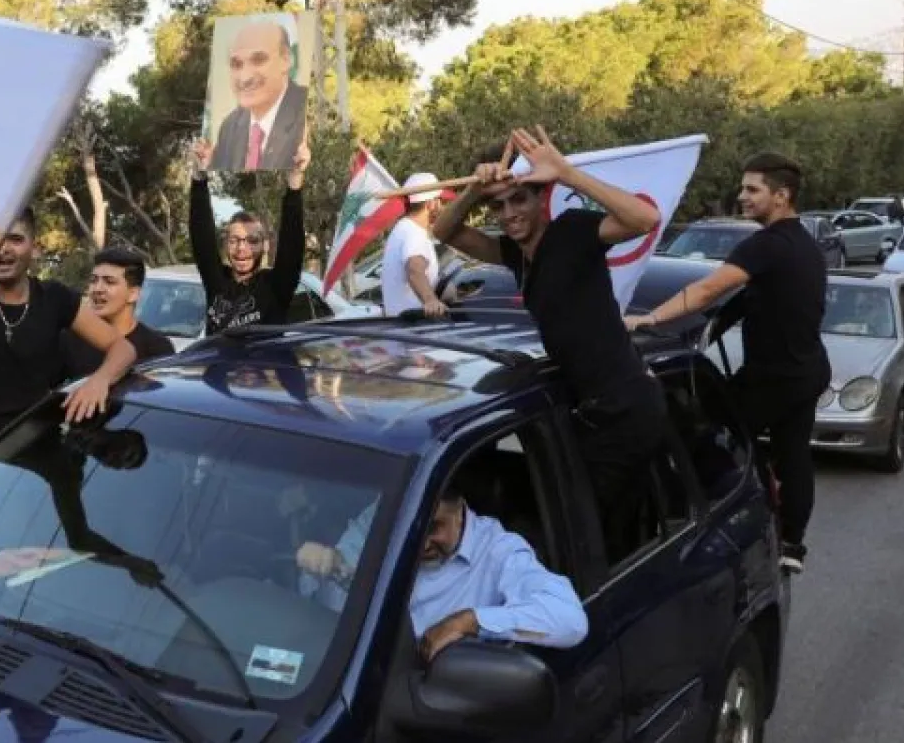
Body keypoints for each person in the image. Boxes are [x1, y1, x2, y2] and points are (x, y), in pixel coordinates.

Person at [431, 127, 665, 550]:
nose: (509, 214)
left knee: (584, 536)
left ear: (542, 197)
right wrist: (474, 190)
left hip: (626, 410)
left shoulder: (572, 231)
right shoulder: (515, 253)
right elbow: (444, 231)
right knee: (578, 524)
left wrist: (566, 172)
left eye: (519, 199)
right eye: (497, 205)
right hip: (586, 412)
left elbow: (645, 219)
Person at [626, 152, 829, 574]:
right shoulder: (804, 243)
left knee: (704, 436)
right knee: (794, 456)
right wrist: (709, 330)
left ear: (781, 195)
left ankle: (707, 525)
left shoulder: (766, 244)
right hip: (807, 371)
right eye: (743, 188)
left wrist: (649, 319)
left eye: (752, 189)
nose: (742, 196)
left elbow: (708, 290)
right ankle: (792, 545)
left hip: (773, 379)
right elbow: (747, 302)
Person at [0, 208, 139, 467]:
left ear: (35, 248)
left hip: (40, 448)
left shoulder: (54, 298)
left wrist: (100, 380)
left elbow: (122, 348)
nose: (3, 248)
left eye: (15, 239)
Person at [296, 492, 588, 659]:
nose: (421, 543)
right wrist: (329, 567)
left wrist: (470, 622)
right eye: (410, 528)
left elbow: (570, 621)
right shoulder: (376, 522)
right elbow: (326, 605)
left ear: (460, 512)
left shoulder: (499, 551)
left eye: (433, 527)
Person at [188, 138, 310, 334]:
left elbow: (292, 245)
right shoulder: (217, 281)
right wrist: (199, 176)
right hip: (218, 355)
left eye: (252, 241)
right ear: (226, 245)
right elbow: (201, 234)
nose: (241, 248)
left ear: (265, 245)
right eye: (234, 240)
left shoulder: (276, 285)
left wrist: (295, 181)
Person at [209, 17, 310, 171]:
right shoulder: (229, 128)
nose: (245, 77)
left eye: (258, 60)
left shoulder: (309, 111)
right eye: (236, 64)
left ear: (286, 60)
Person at [62, 247, 175, 380]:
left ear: (133, 293)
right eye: (94, 280)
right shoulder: (68, 340)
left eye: (109, 282)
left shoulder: (157, 348)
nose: (97, 289)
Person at [381, 173, 449, 318]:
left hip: (400, 325)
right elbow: (414, 269)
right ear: (431, 203)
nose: (442, 206)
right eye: (440, 200)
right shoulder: (414, 233)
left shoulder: (403, 228)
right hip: (413, 325)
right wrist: (431, 301)